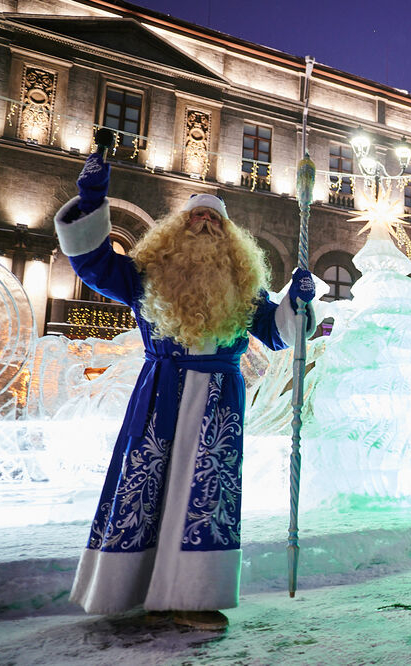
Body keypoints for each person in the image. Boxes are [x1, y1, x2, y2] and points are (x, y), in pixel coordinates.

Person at [54, 150, 317, 630]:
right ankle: (132, 587)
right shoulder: (145, 274)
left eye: (214, 220)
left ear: (230, 237)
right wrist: (92, 201)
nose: (204, 225)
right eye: (196, 216)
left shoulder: (243, 288)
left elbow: (279, 334)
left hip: (220, 400)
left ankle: (194, 595)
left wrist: (297, 304)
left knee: (206, 492)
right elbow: (92, 263)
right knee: (148, 487)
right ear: (177, 227)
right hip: (162, 393)